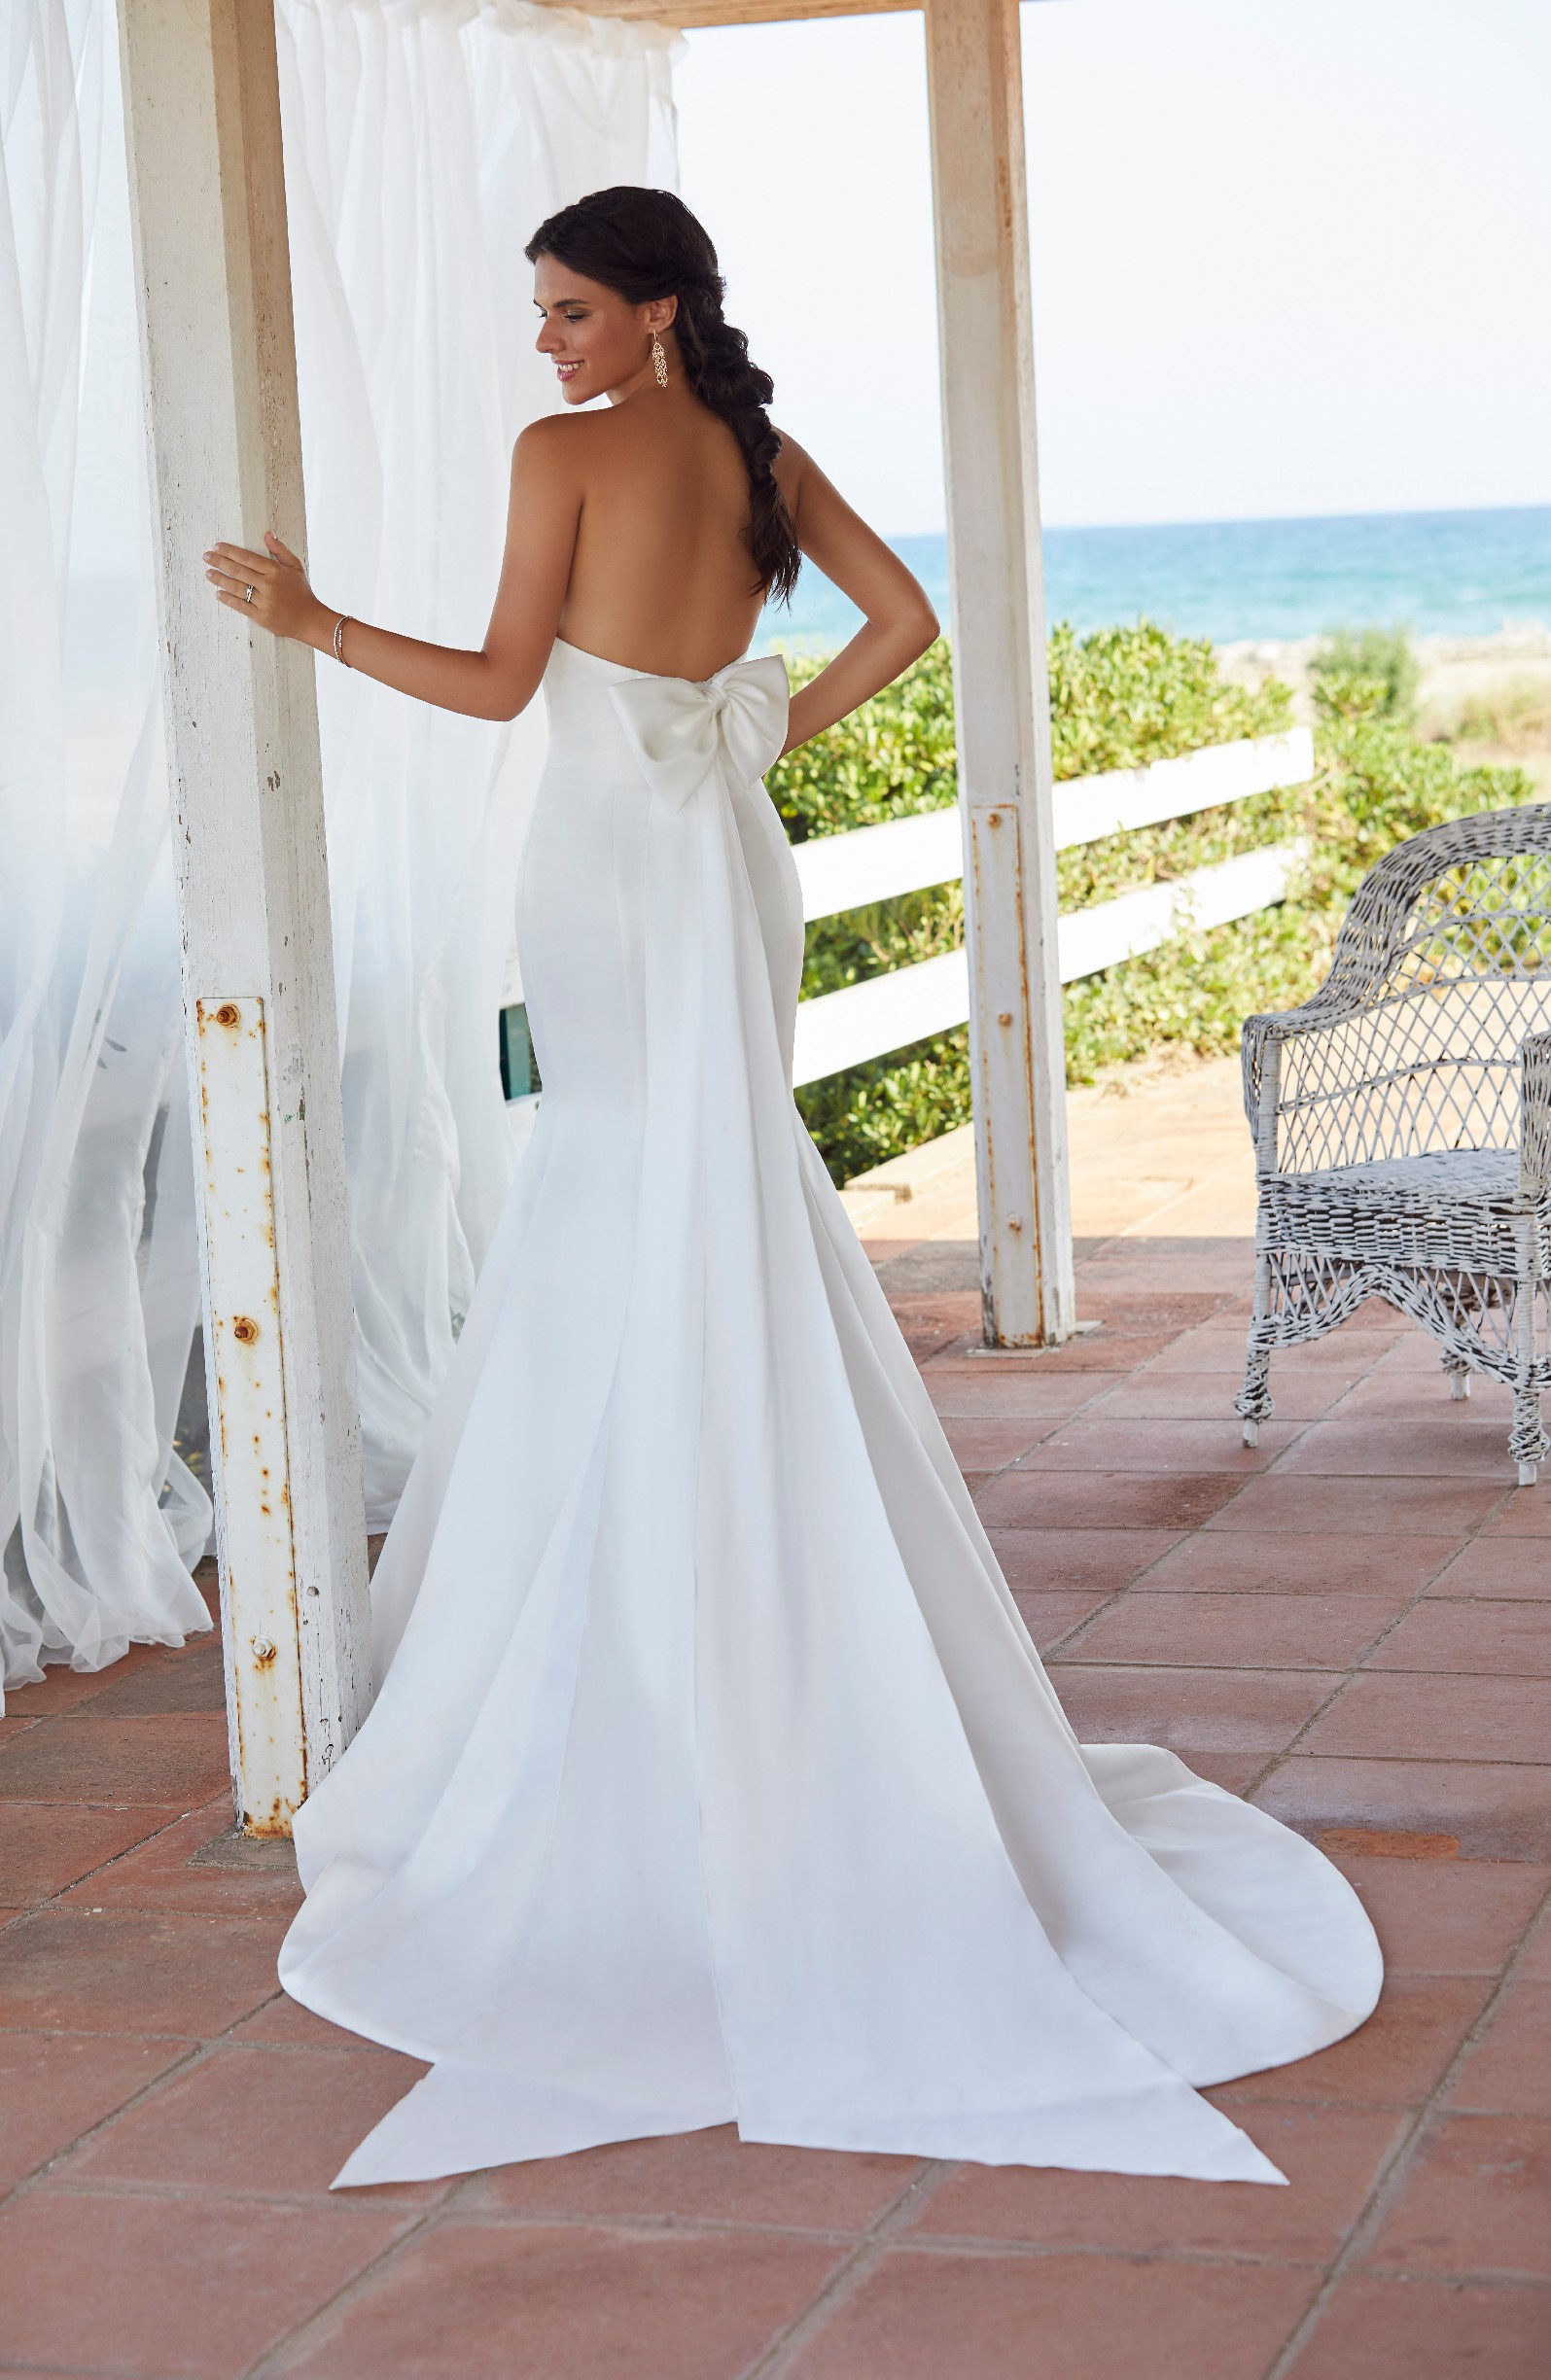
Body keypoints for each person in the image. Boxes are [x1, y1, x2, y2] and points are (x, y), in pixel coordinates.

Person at [204, 186, 1380, 2190]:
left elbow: (501, 688)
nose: (548, 344)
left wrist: (311, 622)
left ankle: (648, 1655)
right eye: (545, 318)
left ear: (652, 308)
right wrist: (751, 726)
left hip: (602, 859)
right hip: (726, 855)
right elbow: (906, 623)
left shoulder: (563, 458)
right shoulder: (756, 450)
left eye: (571, 310)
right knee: (717, 1193)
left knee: (624, 1183)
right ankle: (752, 1596)